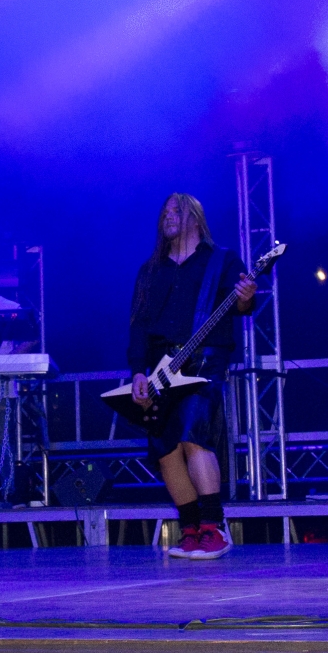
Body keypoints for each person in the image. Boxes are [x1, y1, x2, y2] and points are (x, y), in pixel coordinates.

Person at [127, 193, 256, 559]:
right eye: (165, 211)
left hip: (204, 362)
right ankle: (190, 529)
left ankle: (214, 527)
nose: (168, 215)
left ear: (196, 218)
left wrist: (246, 296)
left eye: (177, 210)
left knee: (193, 435)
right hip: (159, 367)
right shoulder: (149, 270)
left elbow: (243, 305)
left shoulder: (222, 260)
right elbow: (138, 326)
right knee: (166, 449)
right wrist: (137, 372)